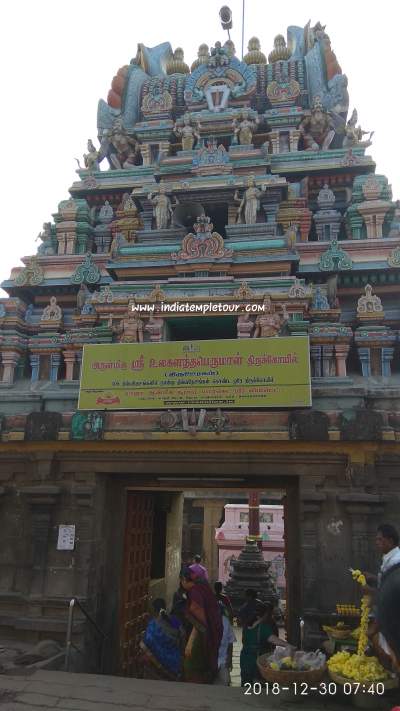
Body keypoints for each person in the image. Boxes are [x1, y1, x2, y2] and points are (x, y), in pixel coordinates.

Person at [180, 567, 223, 683]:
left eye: (181, 580)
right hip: (213, 628)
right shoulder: (202, 588)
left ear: (184, 580)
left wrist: (190, 642)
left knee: (192, 663)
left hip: (202, 633)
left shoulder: (195, 593)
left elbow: (199, 621)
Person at [240, 600, 292, 686]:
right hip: (257, 658)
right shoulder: (263, 627)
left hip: (245, 658)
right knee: (260, 684)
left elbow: (243, 640)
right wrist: (288, 645)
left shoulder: (246, 626)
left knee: (246, 683)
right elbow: (274, 640)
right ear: (264, 615)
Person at [139, 598, 184, 681]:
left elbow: (148, 642)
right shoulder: (174, 620)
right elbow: (182, 635)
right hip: (174, 663)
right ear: (165, 607)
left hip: (158, 663)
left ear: (154, 610)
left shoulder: (153, 624)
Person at [215, 602, 236, 685]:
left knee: (225, 682)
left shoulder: (225, 621)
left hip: (223, 659)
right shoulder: (206, 619)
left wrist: (230, 660)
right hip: (209, 660)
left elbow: (230, 642)